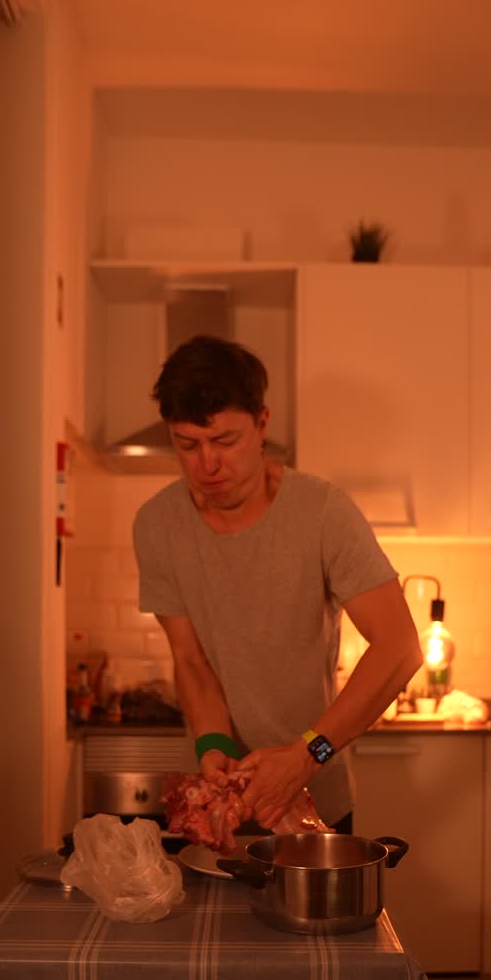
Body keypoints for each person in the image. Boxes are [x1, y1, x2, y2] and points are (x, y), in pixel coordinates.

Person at [133, 335, 422, 833]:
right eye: (187, 444)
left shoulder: (322, 512)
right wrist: (214, 748)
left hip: (314, 795)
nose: (207, 465)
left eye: (225, 441)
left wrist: (308, 755)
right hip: (221, 805)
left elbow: (400, 647)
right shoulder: (157, 525)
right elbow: (191, 659)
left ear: (262, 423)